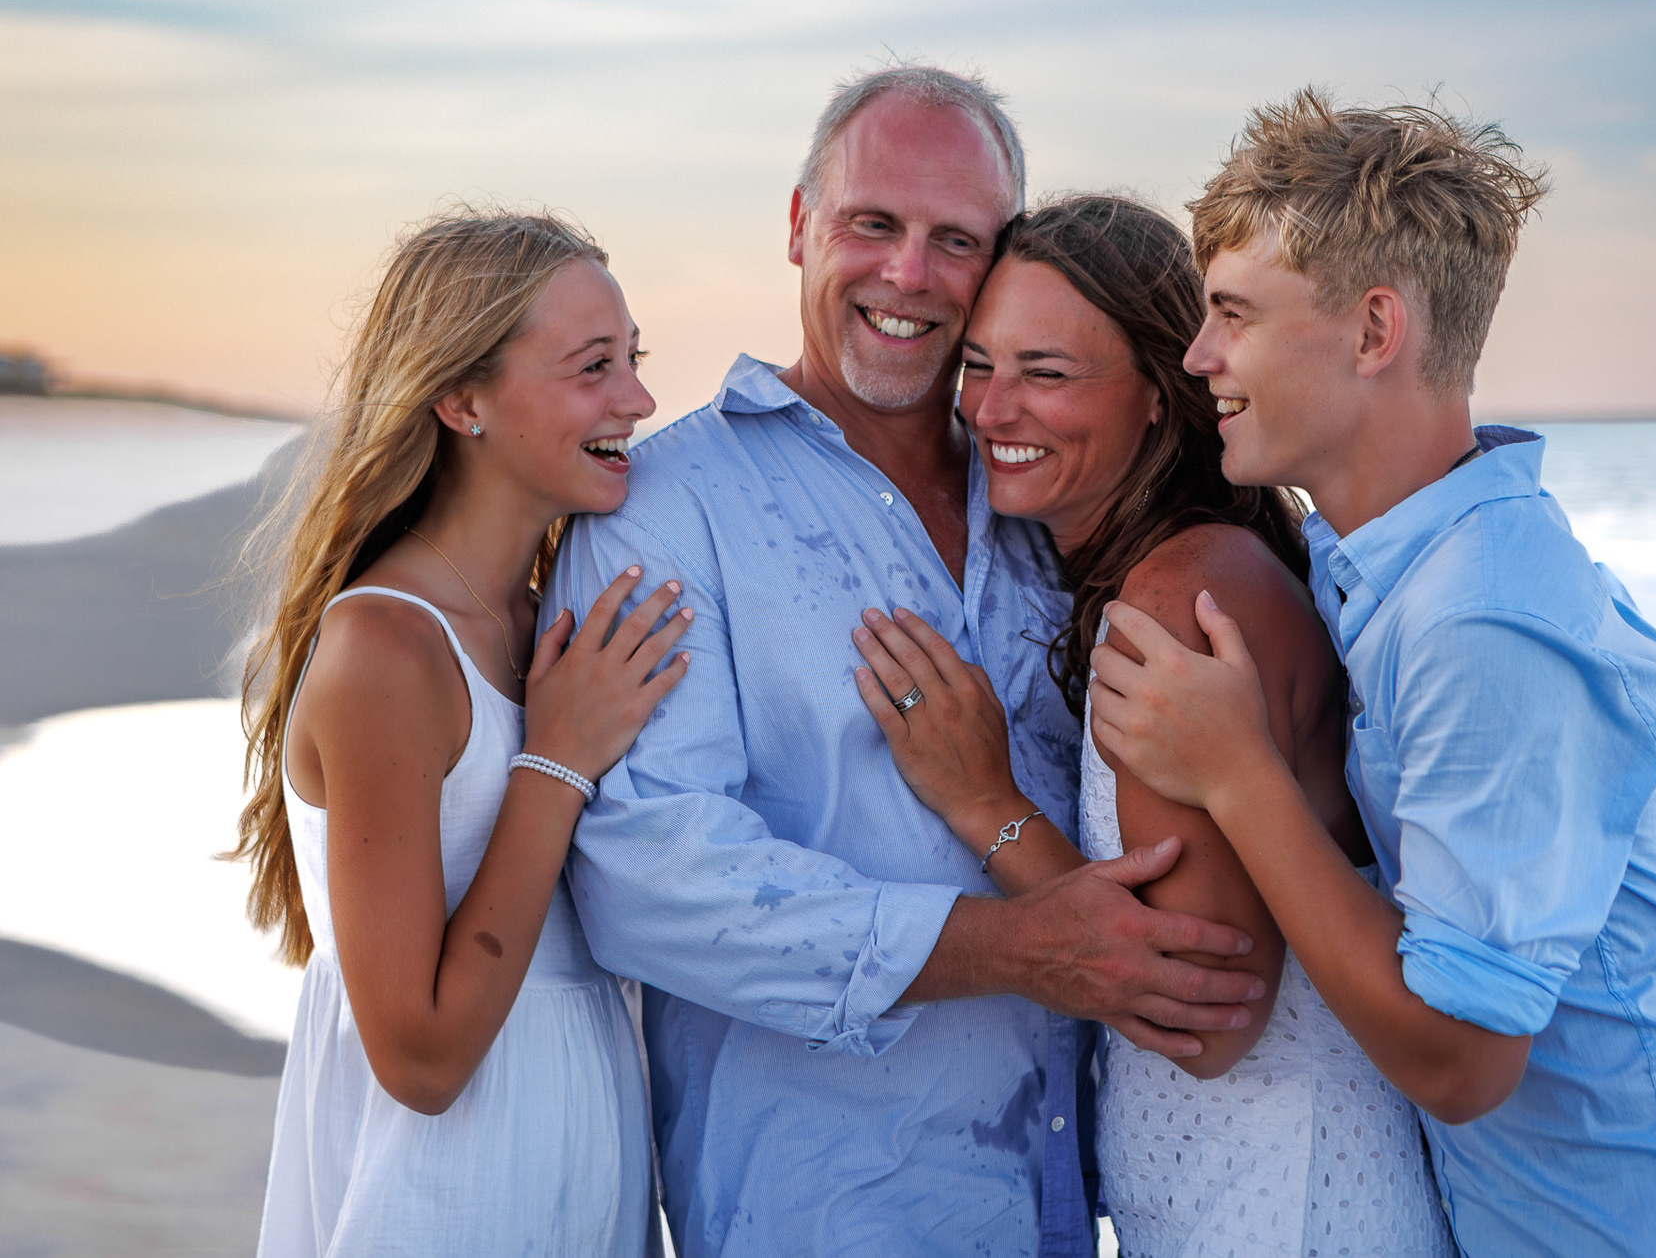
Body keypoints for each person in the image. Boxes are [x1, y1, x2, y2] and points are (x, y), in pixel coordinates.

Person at [1083, 92, 1656, 1256]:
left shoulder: (1480, 616)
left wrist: (1238, 772)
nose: (1200, 358)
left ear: (1374, 331)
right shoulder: (1391, 565)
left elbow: (1462, 1060)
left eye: (1234, 315)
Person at [545, 65, 1266, 1257]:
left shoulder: (1044, 484)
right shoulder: (669, 507)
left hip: (1077, 1206)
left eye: (957, 241)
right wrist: (1011, 949)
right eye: (872, 224)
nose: (910, 275)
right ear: (797, 227)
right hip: (822, 1209)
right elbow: (644, 875)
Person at [848, 193, 1457, 1257]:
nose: (991, 411)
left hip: (1290, 1212)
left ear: (1161, 396)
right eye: (979, 366)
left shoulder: (1177, 603)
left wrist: (984, 803)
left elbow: (1204, 1009)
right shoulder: (1179, 565)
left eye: (1047, 373)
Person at [233, 210, 690, 1256]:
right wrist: (557, 761)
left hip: (584, 1166)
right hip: (443, 1199)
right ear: (462, 398)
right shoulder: (388, 651)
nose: (639, 399)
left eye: (634, 359)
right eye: (593, 366)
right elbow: (423, 1060)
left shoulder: (548, 626)